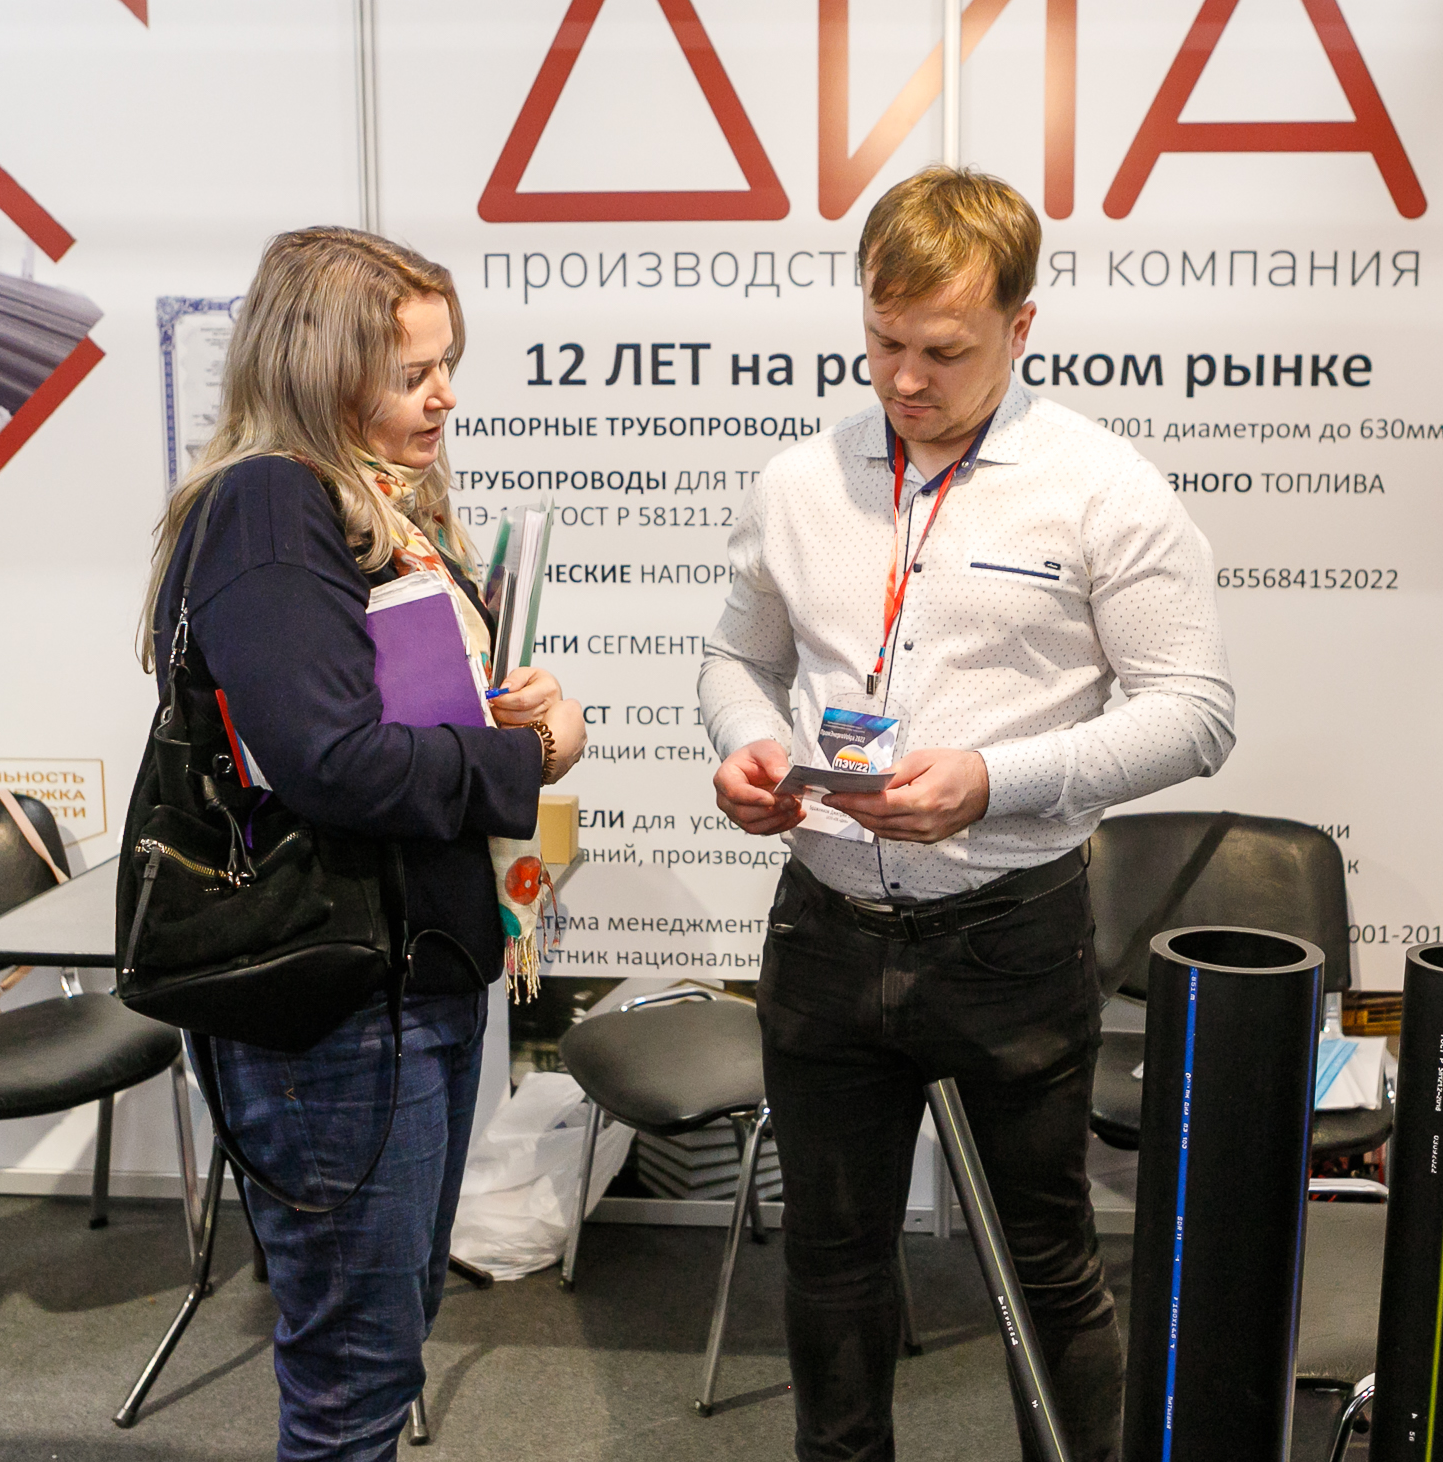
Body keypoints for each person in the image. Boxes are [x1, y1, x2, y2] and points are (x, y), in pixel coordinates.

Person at [699, 166, 1235, 1461]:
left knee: (1043, 1261)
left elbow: (1195, 713)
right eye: (882, 340)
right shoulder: (799, 482)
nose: (904, 378)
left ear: (1020, 325)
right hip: (823, 927)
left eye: (943, 350)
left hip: (1006, 931)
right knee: (829, 1256)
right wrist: (746, 744)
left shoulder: (1102, 489)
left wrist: (994, 780)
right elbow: (734, 659)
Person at [140, 227, 585, 1460]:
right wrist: (528, 758)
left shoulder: (370, 504)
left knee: (379, 1352)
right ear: (318, 372)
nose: (444, 397)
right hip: (335, 1008)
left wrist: (512, 711)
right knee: (353, 1380)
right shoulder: (272, 506)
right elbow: (329, 760)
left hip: (395, 980)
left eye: (448, 367)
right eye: (411, 374)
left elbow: (373, 723)